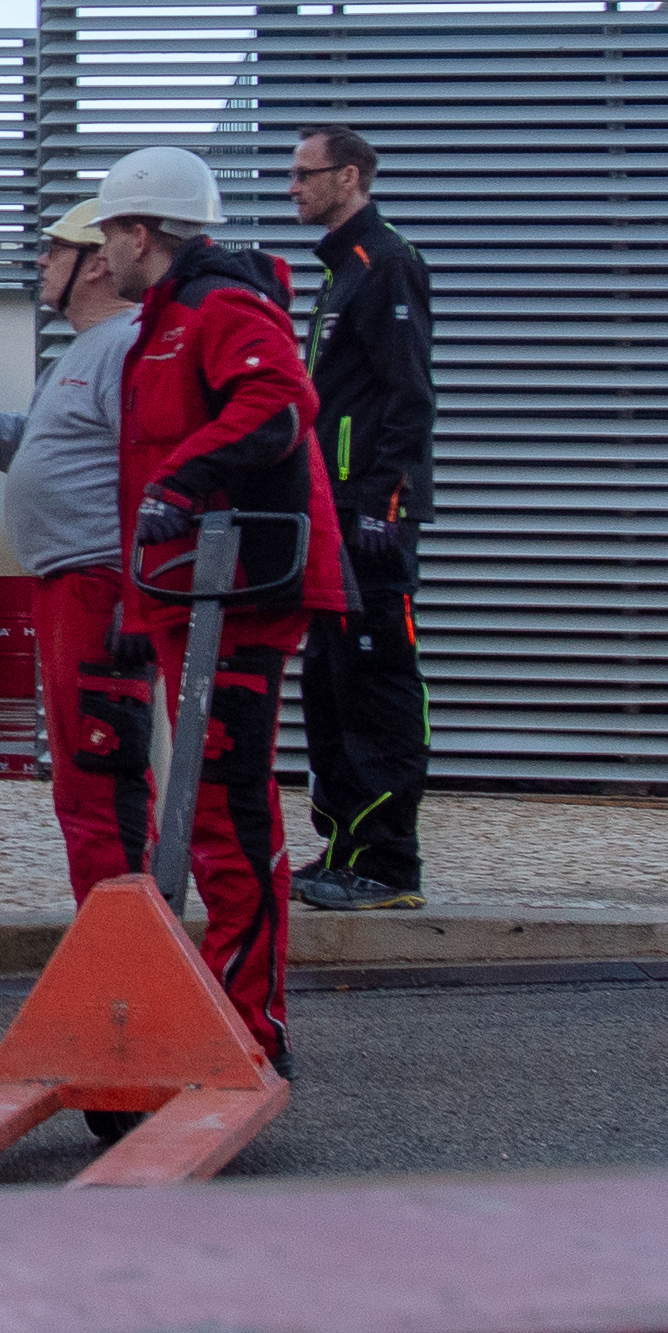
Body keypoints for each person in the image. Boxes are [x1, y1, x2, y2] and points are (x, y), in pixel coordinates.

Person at [86, 143, 346, 1064]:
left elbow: (279, 400)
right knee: (198, 810)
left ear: (141, 231)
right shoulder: (163, 320)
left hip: (238, 593)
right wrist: (133, 605)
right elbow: (140, 478)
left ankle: (251, 1026)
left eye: (107, 232)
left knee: (228, 812)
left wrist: (186, 481)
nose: (98, 253)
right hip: (188, 598)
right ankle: (219, 1008)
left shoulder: (218, 304)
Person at [0, 202, 143, 937]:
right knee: (80, 771)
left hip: (97, 583)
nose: (40, 264)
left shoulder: (126, 348)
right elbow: (34, 450)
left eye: (52, 251)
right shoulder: (75, 355)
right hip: (64, 582)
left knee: (98, 765)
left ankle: (126, 938)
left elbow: (151, 472)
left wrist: (134, 597)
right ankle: (111, 929)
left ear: (97, 262)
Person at [287, 121, 435, 910]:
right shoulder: (341, 274)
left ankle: (388, 865)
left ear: (348, 178)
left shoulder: (388, 266)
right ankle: (344, 849)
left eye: (306, 175)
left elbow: (409, 397)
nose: (294, 188)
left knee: (377, 684)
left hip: (369, 525)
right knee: (332, 683)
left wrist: (384, 506)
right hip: (332, 518)